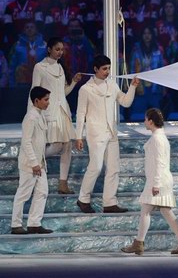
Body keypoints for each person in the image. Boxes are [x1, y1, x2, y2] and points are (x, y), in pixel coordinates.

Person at [75, 55, 139, 213]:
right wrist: (78, 136)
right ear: (96, 69)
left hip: (111, 133)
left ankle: (109, 202)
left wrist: (132, 87)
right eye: (104, 69)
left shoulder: (112, 84)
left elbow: (125, 102)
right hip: (95, 133)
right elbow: (80, 113)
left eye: (109, 68)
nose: (107, 72)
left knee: (113, 168)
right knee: (95, 167)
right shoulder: (86, 89)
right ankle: (83, 199)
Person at [121, 108, 178, 255]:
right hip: (159, 179)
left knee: (145, 211)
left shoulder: (157, 138)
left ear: (151, 121)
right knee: (166, 211)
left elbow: (160, 162)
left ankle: (139, 243)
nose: (144, 122)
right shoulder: (159, 137)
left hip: (158, 180)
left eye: (146, 119)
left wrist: (156, 184)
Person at [30, 37, 82, 194]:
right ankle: (32, 158)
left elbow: (62, 93)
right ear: (49, 49)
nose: (60, 52)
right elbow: (34, 91)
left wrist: (73, 82)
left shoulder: (60, 68)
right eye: (57, 49)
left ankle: (63, 184)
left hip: (63, 111)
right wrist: (33, 114)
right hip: (48, 111)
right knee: (57, 145)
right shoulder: (40, 67)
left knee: (67, 146)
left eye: (62, 49)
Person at [11, 86, 53, 235]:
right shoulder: (30, 117)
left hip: (39, 164)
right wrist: (34, 163)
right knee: (23, 193)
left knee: (42, 192)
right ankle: (16, 225)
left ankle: (34, 223)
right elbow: (26, 142)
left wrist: (40, 163)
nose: (48, 102)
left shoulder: (40, 115)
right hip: (30, 164)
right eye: (46, 100)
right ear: (37, 101)